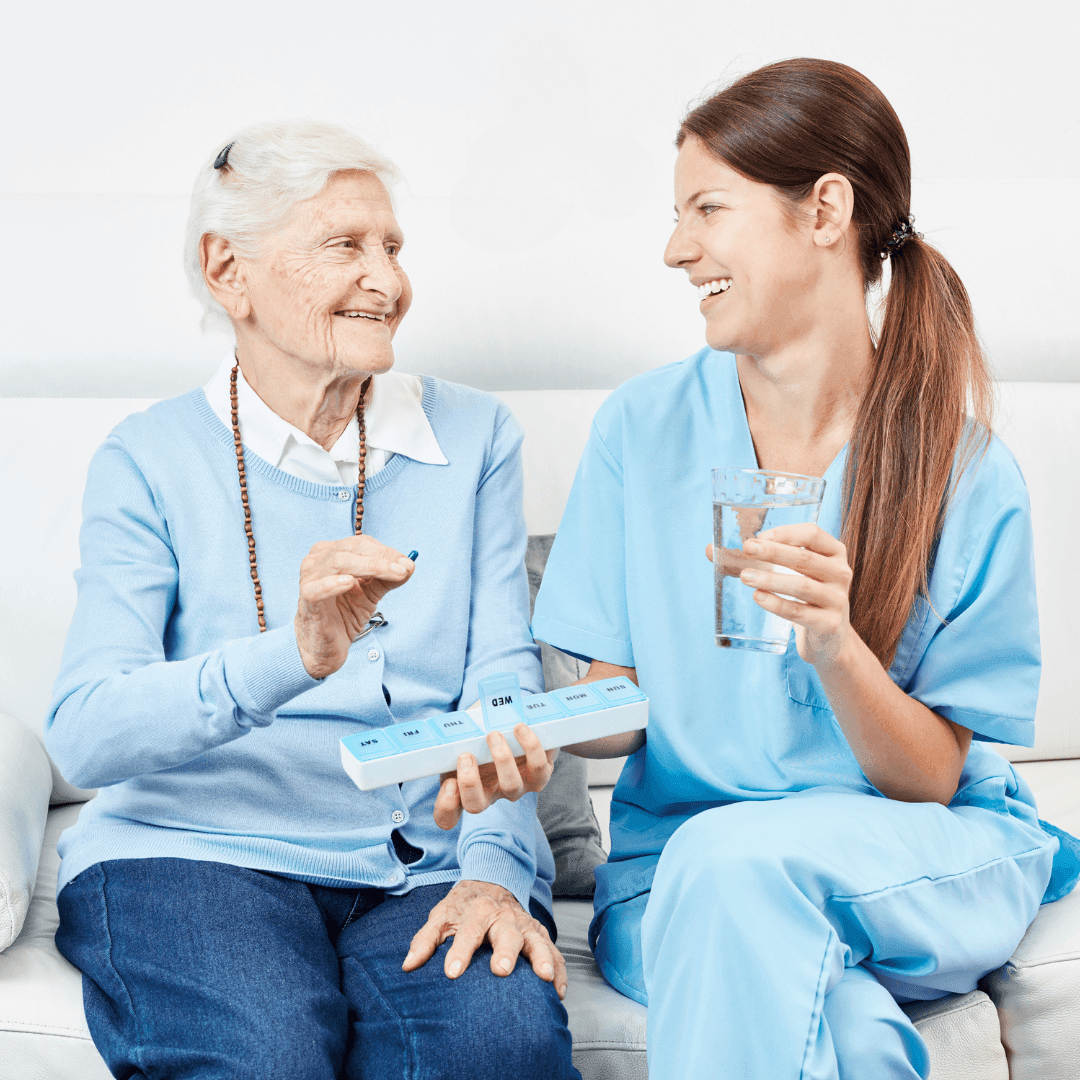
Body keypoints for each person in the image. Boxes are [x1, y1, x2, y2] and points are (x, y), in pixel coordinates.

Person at [520, 60, 1080, 1078]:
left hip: (913, 854)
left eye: (707, 209)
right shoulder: (641, 432)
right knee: (837, 1020)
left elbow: (931, 778)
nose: (675, 248)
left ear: (825, 209)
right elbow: (615, 707)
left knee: (738, 869)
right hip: (676, 872)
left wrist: (835, 646)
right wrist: (519, 731)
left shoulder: (964, 470)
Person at [45, 119, 578, 1080]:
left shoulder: (476, 437)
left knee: (497, 1048)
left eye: (393, 247)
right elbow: (84, 732)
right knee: (261, 1060)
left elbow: (501, 683)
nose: (388, 279)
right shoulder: (147, 457)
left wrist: (498, 869)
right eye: (346, 245)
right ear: (228, 270)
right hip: (191, 856)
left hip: (427, 862)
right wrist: (294, 654)